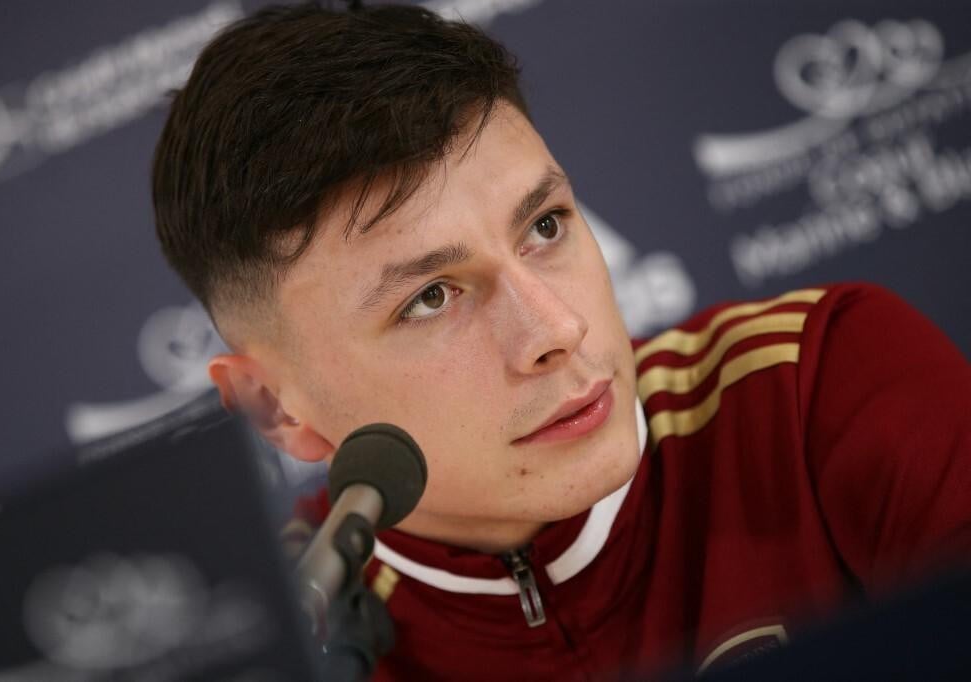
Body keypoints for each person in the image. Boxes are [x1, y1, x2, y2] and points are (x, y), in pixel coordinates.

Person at [151, 2, 971, 679]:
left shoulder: (814, 385)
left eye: (545, 226)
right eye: (432, 297)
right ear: (272, 406)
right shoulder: (279, 642)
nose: (556, 329)